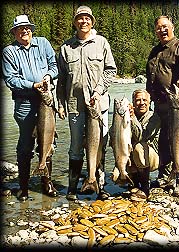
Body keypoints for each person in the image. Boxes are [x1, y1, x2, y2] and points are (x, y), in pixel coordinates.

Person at [56, 6, 117, 201]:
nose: (83, 21)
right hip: (74, 104)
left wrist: (98, 91)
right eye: (80, 18)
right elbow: (62, 79)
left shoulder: (102, 43)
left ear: (92, 21)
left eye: (87, 18)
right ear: (75, 22)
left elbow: (110, 70)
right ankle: (73, 188)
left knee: (100, 144)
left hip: (99, 105)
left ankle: (99, 186)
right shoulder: (66, 47)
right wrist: (60, 103)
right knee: (75, 145)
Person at [2, 15, 58, 201]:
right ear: (14, 32)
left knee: (50, 141)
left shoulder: (43, 43)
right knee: (26, 145)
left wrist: (49, 76)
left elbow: (54, 65)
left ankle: (46, 183)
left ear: (31, 29)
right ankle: (24, 187)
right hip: (24, 103)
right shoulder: (9, 51)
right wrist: (33, 85)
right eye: (19, 28)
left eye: (26, 27)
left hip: (47, 101)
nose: (24, 31)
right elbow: (11, 79)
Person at [146, 15, 179, 187]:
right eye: (159, 28)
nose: (162, 30)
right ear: (156, 31)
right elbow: (151, 77)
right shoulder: (154, 51)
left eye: (165, 26)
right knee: (164, 138)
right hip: (161, 103)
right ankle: (166, 174)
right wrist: (148, 95)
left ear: (172, 27)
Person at [128, 89, 161, 197]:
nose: (141, 103)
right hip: (131, 156)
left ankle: (145, 187)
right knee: (116, 177)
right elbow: (114, 135)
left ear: (149, 101)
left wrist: (132, 118)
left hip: (151, 157)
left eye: (144, 100)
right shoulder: (125, 115)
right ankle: (134, 183)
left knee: (138, 147)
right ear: (133, 102)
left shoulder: (154, 117)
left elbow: (141, 137)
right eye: (138, 100)